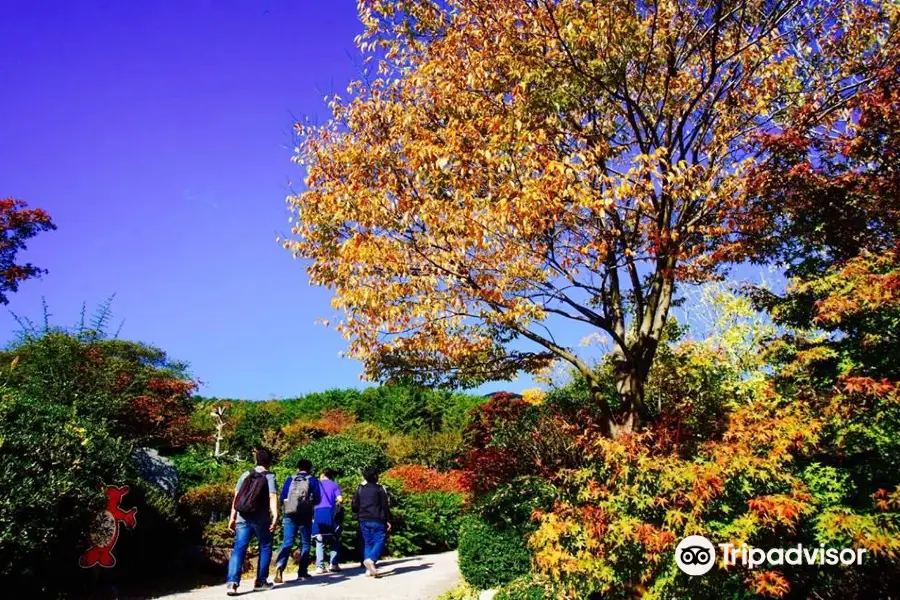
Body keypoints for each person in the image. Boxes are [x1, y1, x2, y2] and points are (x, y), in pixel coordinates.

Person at [226, 448, 278, 596]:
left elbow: (237, 497)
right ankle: (261, 581)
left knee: (239, 548)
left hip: (243, 517)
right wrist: (275, 516)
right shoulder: (269, 477)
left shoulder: (246, 474)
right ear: (270, 461)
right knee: (265, 546)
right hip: (261, 519)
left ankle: (232, 583)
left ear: (256, 460)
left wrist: (232, 517)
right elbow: (272, 497)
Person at [274, 458, 320, 583]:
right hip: (305, 515)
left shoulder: (290, 479)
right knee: (305, 543)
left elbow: (283, 497)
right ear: (309, 469)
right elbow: (318, 499)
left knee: (287, 542)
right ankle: (302, 572)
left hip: (290, 513)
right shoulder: (313, 480)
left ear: (298, 468)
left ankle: (279, 567)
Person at [351, 467, 391, 578]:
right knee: (380, 540)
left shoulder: (360, 488)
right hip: (377, 518)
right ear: (375, 476)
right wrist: (388, 520)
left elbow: (355, 506)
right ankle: (371, 560)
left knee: (368, 543)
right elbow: (385, 505)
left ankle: (368, 569)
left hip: (363, 518)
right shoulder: (380, 489)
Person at [313, 468, 343, 574]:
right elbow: (340, 499)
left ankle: (320, 566)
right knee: (334, 538)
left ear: (322, 475)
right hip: (330, 512)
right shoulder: (334, 485)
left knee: (319, 540)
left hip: (317, 512)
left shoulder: (316, 484)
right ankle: (333, 564)